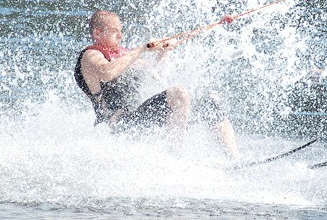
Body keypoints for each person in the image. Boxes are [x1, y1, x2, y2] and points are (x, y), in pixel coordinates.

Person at [74, 10, 240, 158]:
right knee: (179, 93)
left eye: (121, 31)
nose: (120, 36)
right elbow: (106, 72)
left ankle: (234, 159)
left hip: (138, 119)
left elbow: (156, 73)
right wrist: (140, 49)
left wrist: (163, 52)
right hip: (119, 126)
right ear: (97, 33)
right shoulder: (90, 55)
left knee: (211, 102)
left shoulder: (123, 54)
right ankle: (176, 158)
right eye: (114, 32)